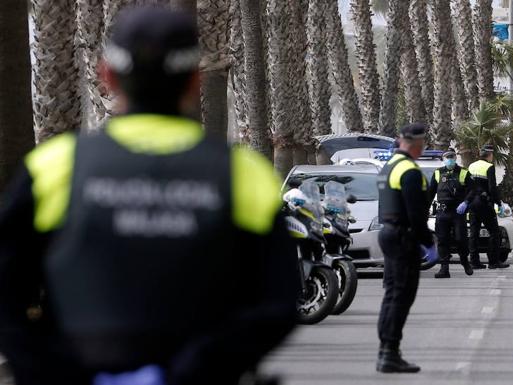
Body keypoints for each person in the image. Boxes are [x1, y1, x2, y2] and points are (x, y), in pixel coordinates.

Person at [0, 7, 298, 385]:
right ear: (194, 81)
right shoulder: (243, 174)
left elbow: (7, 288)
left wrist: (49, 368)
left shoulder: (54, 166)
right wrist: (205, 365)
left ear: (107, 75)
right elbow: (279, 302)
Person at [376, 123, 437, 373]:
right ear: (416, 144)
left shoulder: (389, 166)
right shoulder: (410, 171)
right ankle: (390, 352)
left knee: (392, 294)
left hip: (388, 233)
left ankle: (386, 350)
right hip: (403, 237)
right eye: (422, 144)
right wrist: (429, 241)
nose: (423, 148)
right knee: (401, 296)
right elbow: (416, 215)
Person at [428, 149, 477, 278]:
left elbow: (473, 190)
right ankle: (444, 269)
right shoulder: (438, 173)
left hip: (457, 211)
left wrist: (466, 202)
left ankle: (465, 262)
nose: (450, 159)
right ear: (443, 159)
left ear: (456, 158)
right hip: (443, 211)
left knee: (461, 239)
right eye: (447, 157)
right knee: (443, 240)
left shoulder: (464, 172)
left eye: (452, 157)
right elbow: (430, 192)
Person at [467, 145, 510, 270]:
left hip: (472, 203)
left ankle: (474, 262)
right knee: (494, 232)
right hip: (485, 204)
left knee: (474, 233)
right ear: (490, 155)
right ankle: (493, 262)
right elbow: (492, 188)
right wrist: (498, 202)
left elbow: (468, 186)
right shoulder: (489, 167)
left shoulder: (471, 166)